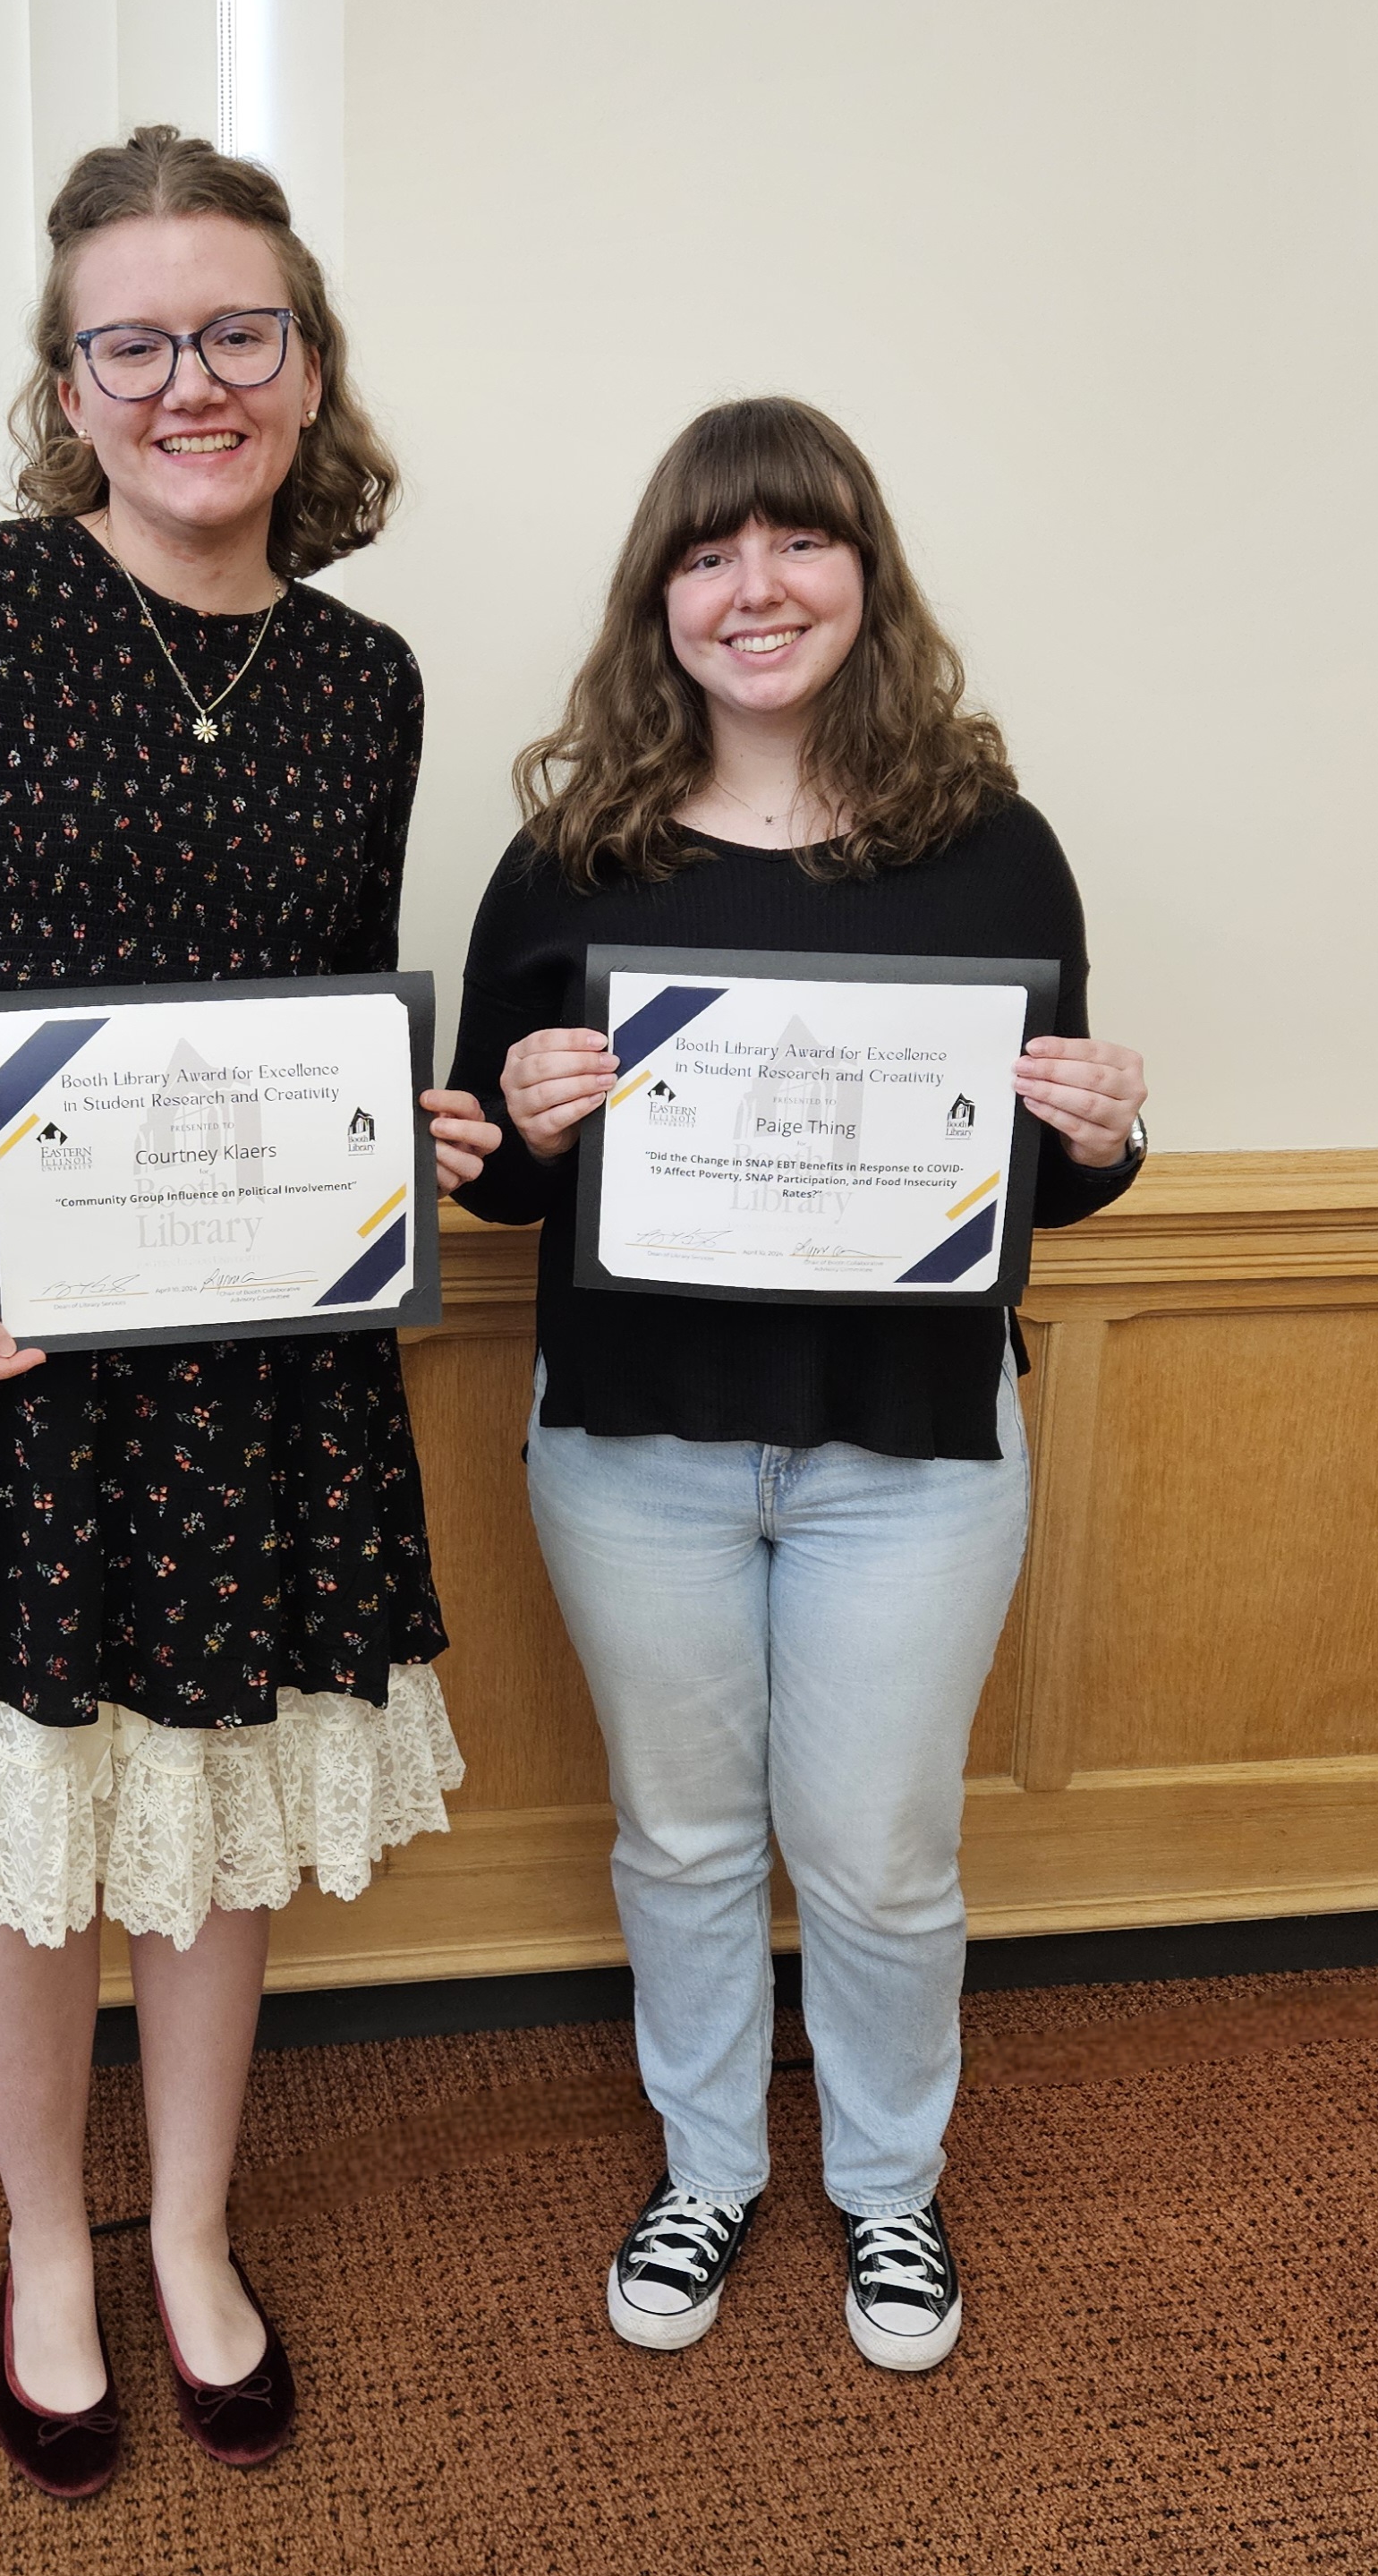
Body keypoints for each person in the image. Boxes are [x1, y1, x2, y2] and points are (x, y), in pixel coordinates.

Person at [0, 125, 498, 2497]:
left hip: (257, 1357)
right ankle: (50, 2247)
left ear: (306, 362)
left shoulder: (365, 676)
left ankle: (194, 2236)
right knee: (29, 1826)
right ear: (69, 386)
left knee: (212, 1815)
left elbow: (308, 1020)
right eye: (133, 341)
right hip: (1, 1346)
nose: (191, 381)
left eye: (236, 330)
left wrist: (411, 1135)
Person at [447, 397, 1148, 2371]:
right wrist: (516, 1113)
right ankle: (703, 2169)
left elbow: (1027, 1183)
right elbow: (498, 1196)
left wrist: (1102, 1138)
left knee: (877, 1849)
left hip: (911, 1448)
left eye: (796, 544)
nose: (754, 589)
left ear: (864, 575)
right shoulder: (568, 854)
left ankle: (887, 2195)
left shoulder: (991, 848)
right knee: (676, 1838)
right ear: (656, 599)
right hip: (633, 1444)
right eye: (707, 553)